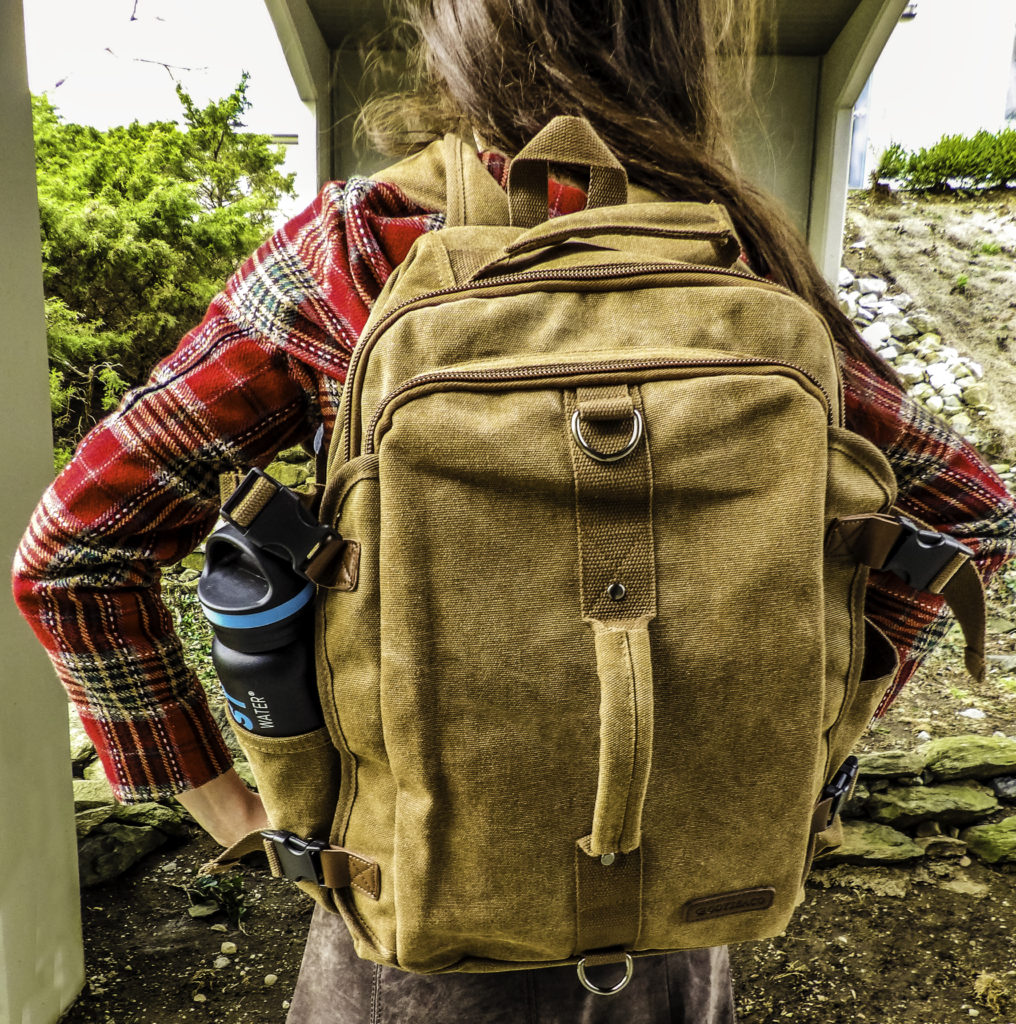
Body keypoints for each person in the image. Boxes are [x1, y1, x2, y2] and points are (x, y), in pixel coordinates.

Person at [12, 0, 1016, 1020]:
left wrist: (250, 817)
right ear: (683, 48)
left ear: (454, 37)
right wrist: (792, 745)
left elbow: (75, 553)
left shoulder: (351, 255)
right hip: (684, 920)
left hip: (409, 935)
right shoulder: (737, 263)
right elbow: (967, 518)